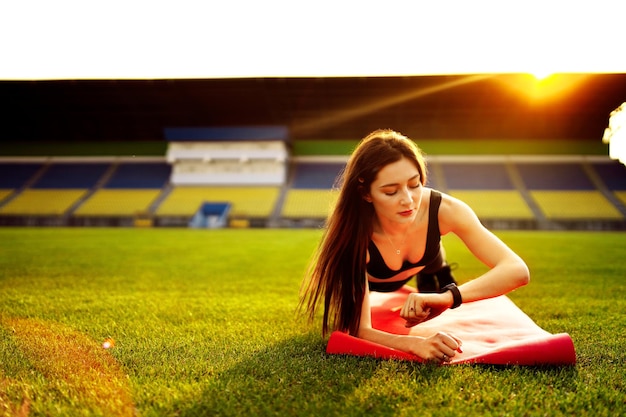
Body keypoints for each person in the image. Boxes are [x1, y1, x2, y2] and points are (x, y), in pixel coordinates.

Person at [299, 129, 530, 362]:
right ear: (366, 193)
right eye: (391, 191)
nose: (408, 200)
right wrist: (414, 344)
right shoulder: (352, 235)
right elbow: (359, 330)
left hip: (428, 265)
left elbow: (517, 270)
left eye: (414, 184)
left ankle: (436, 271)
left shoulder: (446, 210)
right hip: (373, 282)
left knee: (435, 269)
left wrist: (448, 297)